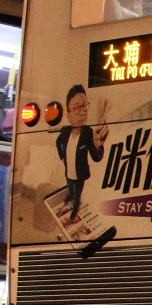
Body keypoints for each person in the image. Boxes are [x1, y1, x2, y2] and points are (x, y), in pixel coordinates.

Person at [55, 85, 107, 222]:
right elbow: (58, 142)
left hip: (80, 175)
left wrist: (98, 146)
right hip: (69, 173)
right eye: (77, 108)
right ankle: (69, 199)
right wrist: (63, 157)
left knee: (77, 197)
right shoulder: (65, 132)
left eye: (84, 106)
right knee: (70, 189)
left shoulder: (89, 133)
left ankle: (73, 216)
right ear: (68, 115)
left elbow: (96, 157)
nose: (83, 112)